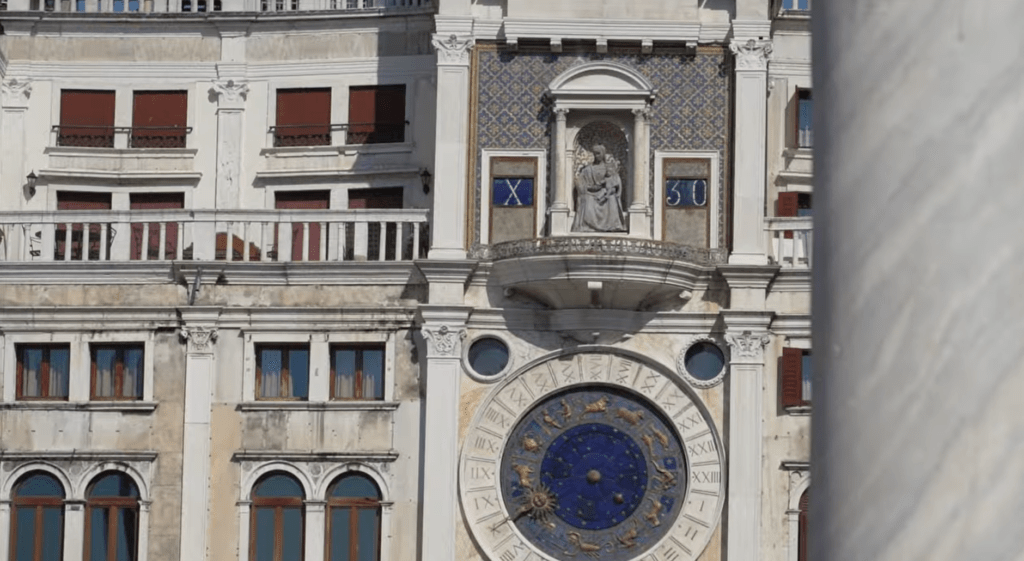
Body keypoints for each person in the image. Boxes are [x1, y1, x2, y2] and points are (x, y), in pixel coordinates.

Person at [572, 144, 626, 232]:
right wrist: (586, 187)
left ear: (603, 154)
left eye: (598, 153)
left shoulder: (609, 168)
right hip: (590, 193)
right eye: (594, 154)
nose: (596, 156)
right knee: (587, 201)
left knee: (612, 199)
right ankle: (587, 226)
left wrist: (608, 189)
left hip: (606, 193)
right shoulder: (588, 169)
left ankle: (613, 225)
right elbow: (580, 183)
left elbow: (615, 182)